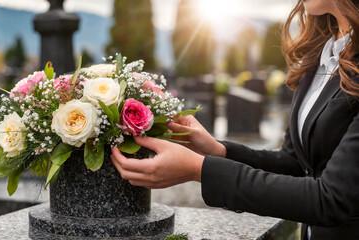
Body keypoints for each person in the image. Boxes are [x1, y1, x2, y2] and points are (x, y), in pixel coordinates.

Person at [111, 0, 359, 239]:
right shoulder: (323, 53)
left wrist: (200, 169)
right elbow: (296, 164)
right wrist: (218, 151)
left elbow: (333, 199)